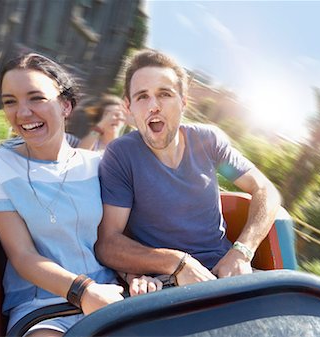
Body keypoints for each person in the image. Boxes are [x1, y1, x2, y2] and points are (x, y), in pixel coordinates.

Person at [0, 53, 161, 337]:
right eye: (10, 101)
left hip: (111, 295)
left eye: (36, 98)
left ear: (65, 105)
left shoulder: (97, 164)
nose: (22, 113)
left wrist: (134, 276)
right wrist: (84, 292)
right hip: (43, 306)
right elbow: (22, 255)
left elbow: (112, 238)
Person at [95, 49, 281, 287]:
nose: (153, 106)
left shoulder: (208, 141)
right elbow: (108, 243)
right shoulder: (121, 155)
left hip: (225, 271)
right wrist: (177, 262)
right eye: (142, 97)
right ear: (129, 107)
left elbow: (265, 189)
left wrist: (242, 251)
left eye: (164, 94)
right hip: (167, 282)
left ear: (183, 102)